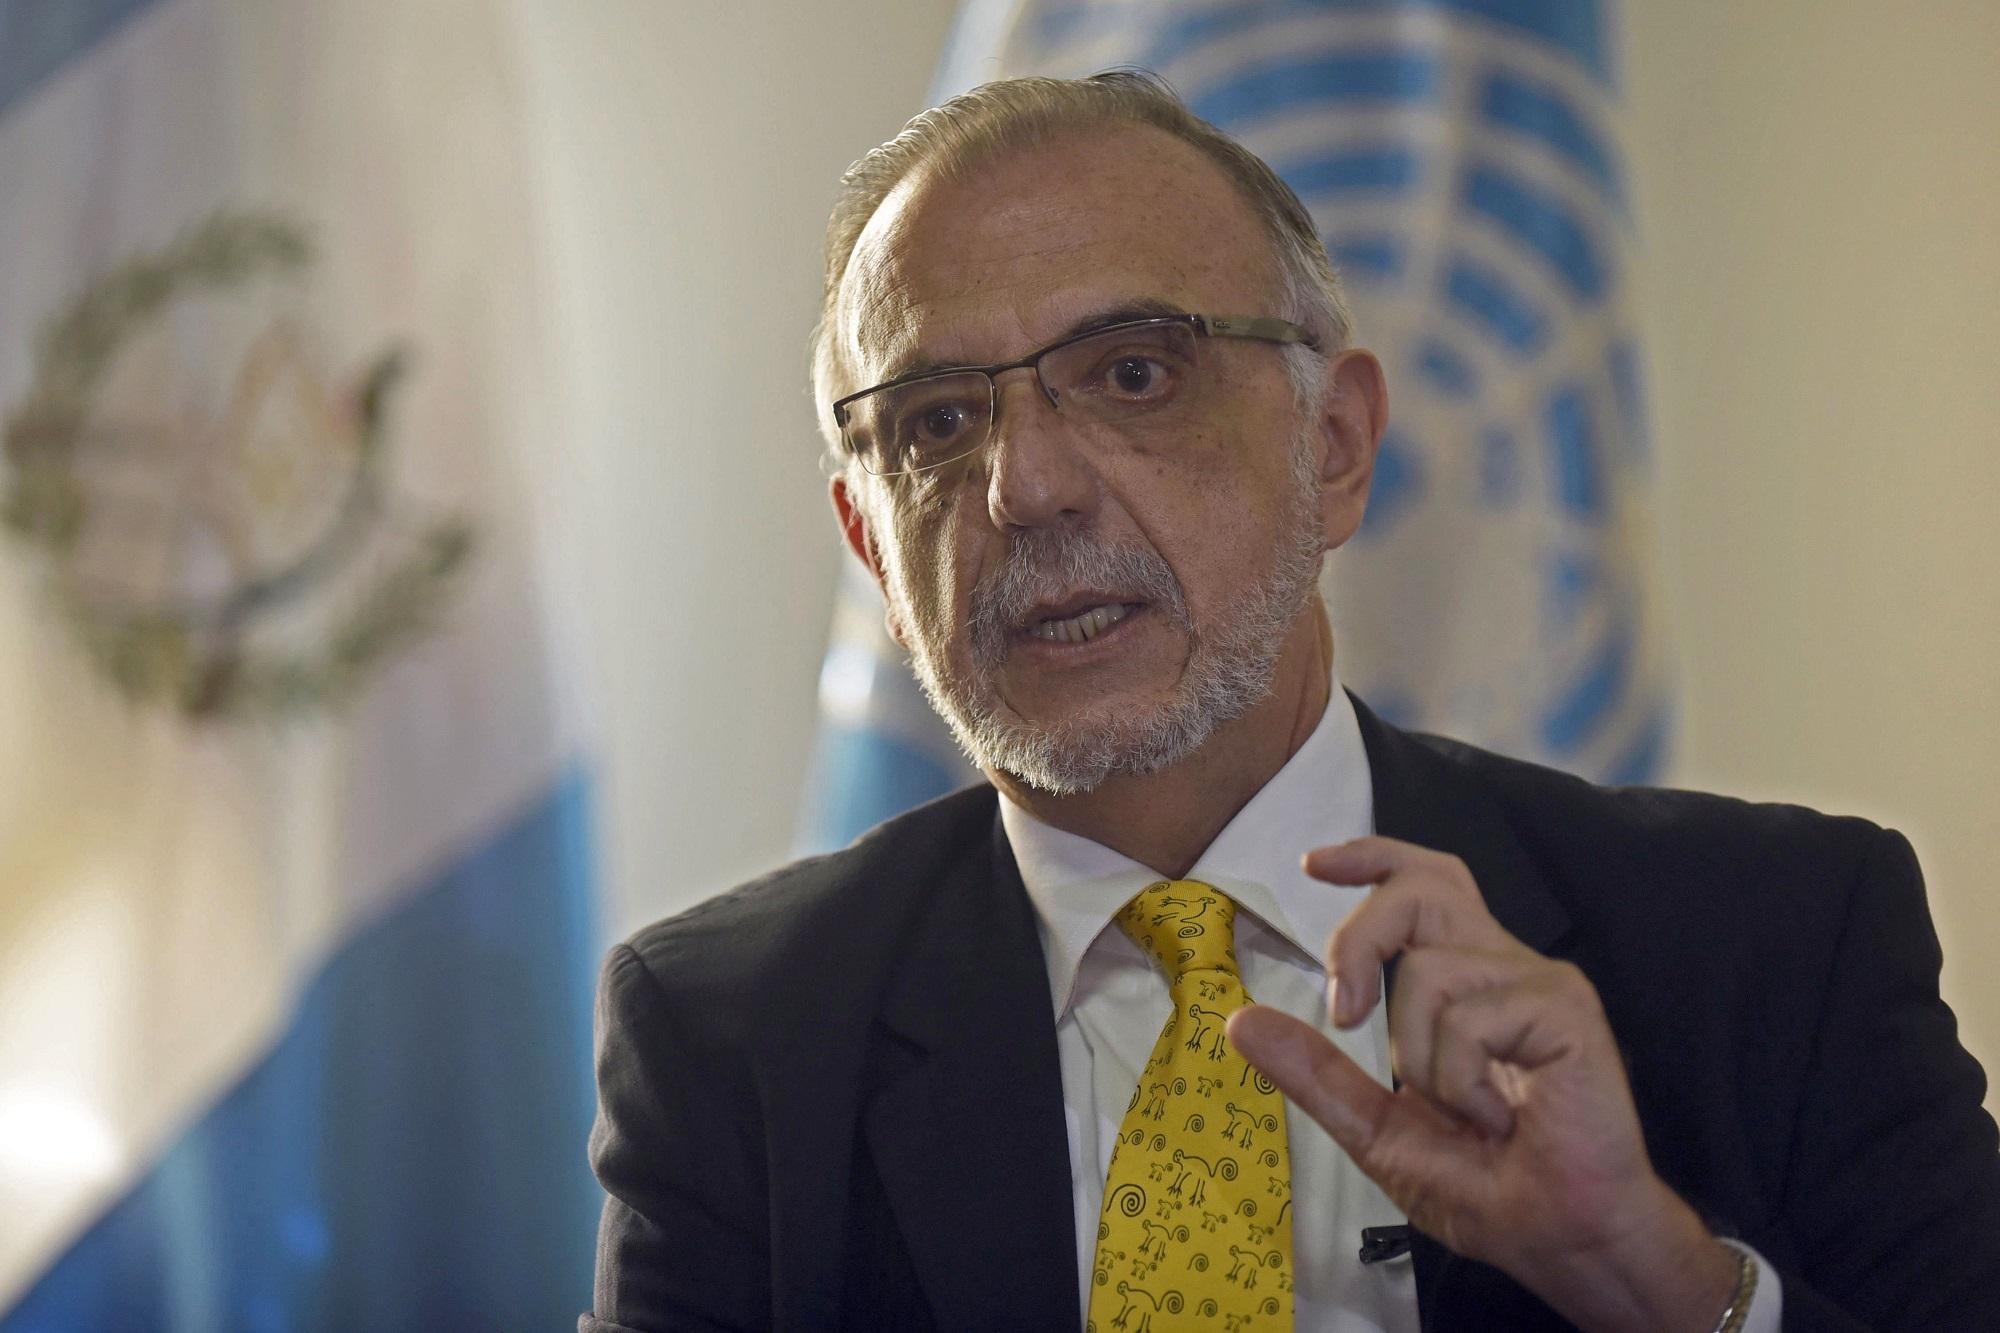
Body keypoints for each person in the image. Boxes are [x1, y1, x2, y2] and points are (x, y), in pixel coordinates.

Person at [580, 73, 2000, 1332]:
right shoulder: (733, 1037)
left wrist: (1662, 1281)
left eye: (1134, 374)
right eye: (940, 422)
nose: (1028, 488)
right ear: (874, 549)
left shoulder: (1778, 942)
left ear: (1334, 447)